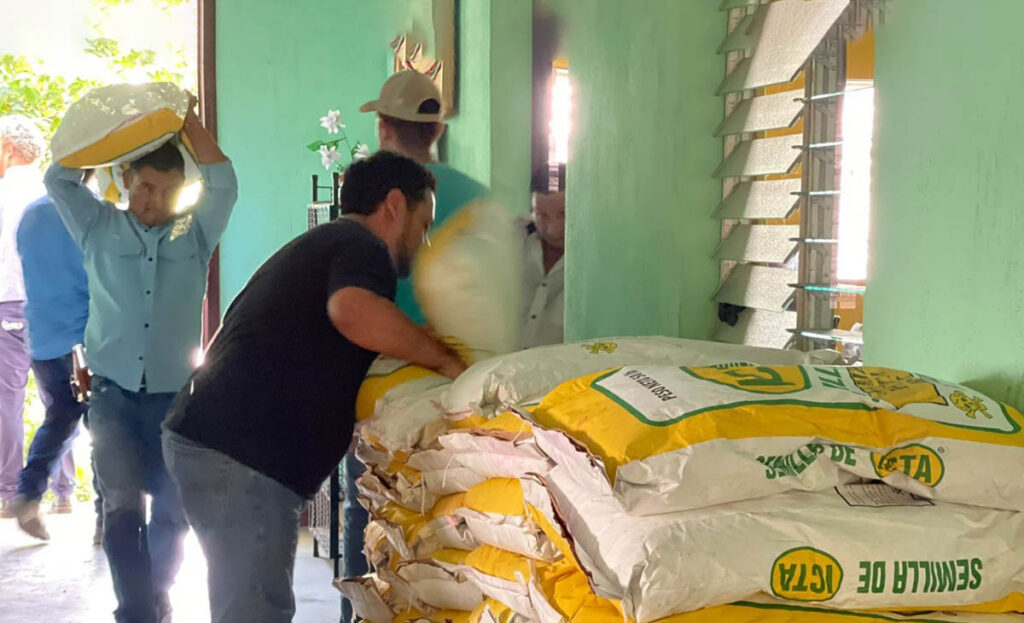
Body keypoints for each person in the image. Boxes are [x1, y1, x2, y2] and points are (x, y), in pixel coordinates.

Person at [162, 151, 466, 623]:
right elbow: (351, 311)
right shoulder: (363, 247)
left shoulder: (329, 243)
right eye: (423, 224)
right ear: (394, 205)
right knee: (254, 612)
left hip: (221, 446)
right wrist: (445, 360)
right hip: (240, 456)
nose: (422, 241)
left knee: (250, 605)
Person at [44, 98, 237, 623]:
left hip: (176, 400)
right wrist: (115, 129)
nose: (154, 199)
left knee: (174, 512)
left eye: (167, 189)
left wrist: (186, 121)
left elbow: (224, 183)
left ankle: (156, 594)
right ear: (127, 180)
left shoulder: (194, 234)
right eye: (146, 186)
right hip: (112, 396)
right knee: (122, 504)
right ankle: (136, 611)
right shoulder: (97, 226)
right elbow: (59, 178)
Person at [352, 69, 487, 618]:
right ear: (437, 131)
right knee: (451, 515)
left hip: (382, 385)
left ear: (384, 128)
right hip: (462, 385)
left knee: (377, 508)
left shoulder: (374, 197)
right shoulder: (478, 199)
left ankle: (368, 607)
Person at [9, 180, 97, 543]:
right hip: (86, 336)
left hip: (43, 337)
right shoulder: (92, 211)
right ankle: (108, 515)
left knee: (61, 416)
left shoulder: (31, 214)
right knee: (104, 427)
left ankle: (28, 494)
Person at [0, 115, 45, 518]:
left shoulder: (4, 194)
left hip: (8, 302)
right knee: (62, 400)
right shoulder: (55, 192)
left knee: (6, 398)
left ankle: (10, 491)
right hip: (51, 306)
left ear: (9, 149)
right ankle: (62, 492)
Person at [520, 164, 566, 349]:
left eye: (563, 214)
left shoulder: (595, 263)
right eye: (542, 215)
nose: (553, 229)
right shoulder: (514, 240)